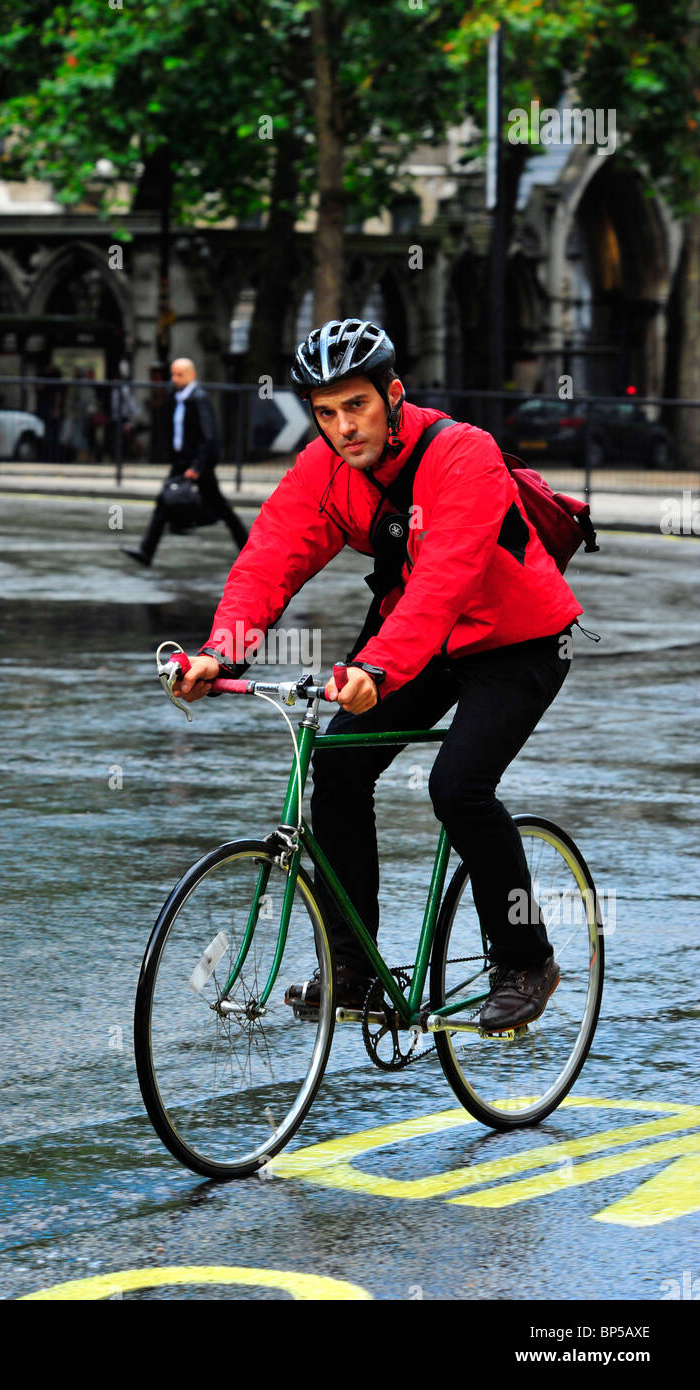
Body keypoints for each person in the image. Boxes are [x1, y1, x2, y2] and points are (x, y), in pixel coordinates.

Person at [173, 318, 584, 1032]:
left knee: (456, 787)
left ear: (392, 395)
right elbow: (272, 556)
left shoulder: (463, 454)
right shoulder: (325, 468)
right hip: (418, 642)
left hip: (517, 639)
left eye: (354, 405)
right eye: (324, 412)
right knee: (335, 768)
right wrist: (219, 649)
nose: (341, 427)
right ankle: (355, 972)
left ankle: (524, 960)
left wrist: (376, 666)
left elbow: (446, 578)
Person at [124, 357, 248, 566]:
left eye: (179, 375)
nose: (174, 379)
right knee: (164, 501)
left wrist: (197, 466)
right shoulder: (178, 397)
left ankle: (248, 550)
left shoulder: (198, 399)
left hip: (197, 464)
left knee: (221, 508)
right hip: (182, 462)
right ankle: (147, 551)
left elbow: (209, 436)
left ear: (192, 376)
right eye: (172, 374)